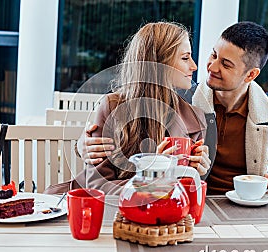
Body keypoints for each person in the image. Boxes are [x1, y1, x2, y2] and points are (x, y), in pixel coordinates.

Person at [77, 21, 268, 200]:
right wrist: (82, 145)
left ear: (250, 75)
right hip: (185, 204)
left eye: (226, 64)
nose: (210, 66)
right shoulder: (182, 98)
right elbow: (138, 101)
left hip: (242, 209)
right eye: (213, 54)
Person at [45, 21, 211, 195]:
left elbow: (186, 192)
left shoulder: (196, 118)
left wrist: (197, 173)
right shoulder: (112, 107)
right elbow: (97, 186)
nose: (194, 66)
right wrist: (151, 178)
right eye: (185, 58)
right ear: (158, 62)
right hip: (113, 214)